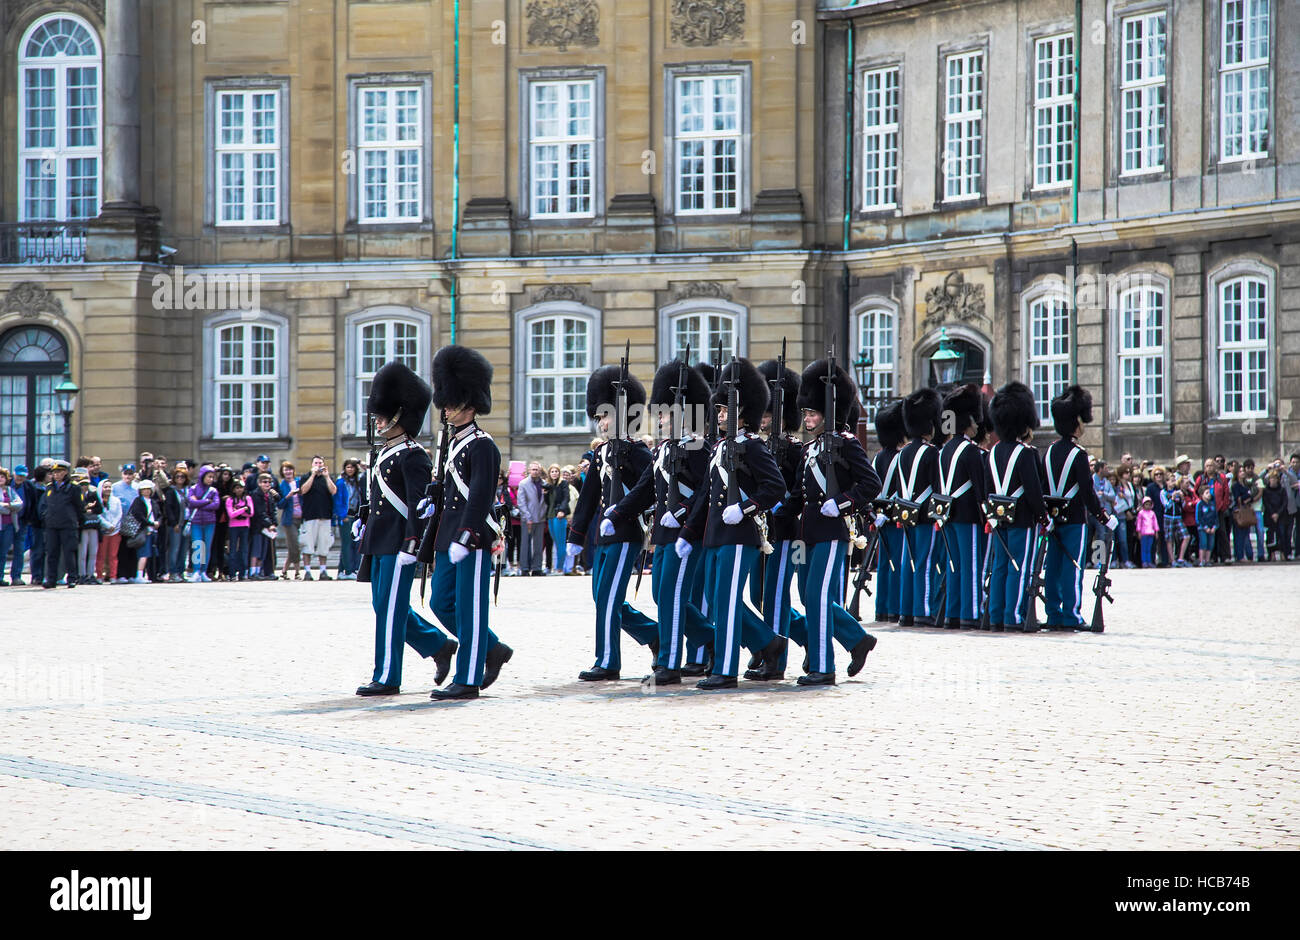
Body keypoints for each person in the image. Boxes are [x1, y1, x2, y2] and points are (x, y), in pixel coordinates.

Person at [353, 361, 461, 696]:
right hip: (379, 539)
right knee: (383, 606)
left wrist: (413, 544)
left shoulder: (413, 455)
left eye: (384, 415)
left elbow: (419, 506)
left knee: (390, 610)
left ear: (400, 415)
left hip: (400, 542)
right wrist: (364, 517)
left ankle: (386, 675)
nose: (379, 420)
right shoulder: (385, 452)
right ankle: (438, 644)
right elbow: (378, 497)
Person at [680, 357, 786, 690]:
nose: (719, 416)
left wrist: (745, 507)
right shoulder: (720, 447)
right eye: (719, 411)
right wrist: (688, 532)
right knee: (716, 596)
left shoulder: (752, 447)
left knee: (725, 600)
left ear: (742, 413)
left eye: (725, 411)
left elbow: (775, 487)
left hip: (740, 534)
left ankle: (725, 670)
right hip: (715, 534)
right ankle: (767, 642)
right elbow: (704, 496)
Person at [608, 357, 713, 687]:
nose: (661, 419)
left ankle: (670, 662)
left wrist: (681, 514)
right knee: (662, 594)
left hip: (686, 532)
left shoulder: (696, 446)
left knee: (674, 593)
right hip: (665, 533)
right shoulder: (665, 449)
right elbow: (645, 489)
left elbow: (703, 492)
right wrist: (619, 512)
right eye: (661, 413)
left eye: (667, 413)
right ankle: (714, 641)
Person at [783, 358, 881, 685]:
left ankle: (823, 667)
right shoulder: (810, 449)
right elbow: (798, 493)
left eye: (812, 414)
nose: (807, 419)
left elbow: (871, 484)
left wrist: (840, 503)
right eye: (806, 414)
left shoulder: (846, 442)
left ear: (827, 412)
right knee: (808, 595)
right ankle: (856, 639)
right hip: (807, 533)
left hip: (830, 532)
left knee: (817, 596)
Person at [568, 363, 659, 681]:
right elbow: (589, 497)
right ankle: (654, 635)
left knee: (608, 597)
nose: (602, 423)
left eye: (605, 416)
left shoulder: (636, 452)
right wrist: (575, 536)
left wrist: (622, 512)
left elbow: (649, 488)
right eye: (599, 418)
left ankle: (607, 660)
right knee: (602, 597)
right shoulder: (602, 453)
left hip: (627, 532)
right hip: (604, 536)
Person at [748, 357, 805, 677]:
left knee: (775, 595)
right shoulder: (757, 446)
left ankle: (776, 662)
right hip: (759, 531)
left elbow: (800, 489)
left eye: (769, 413)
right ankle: (804, 636)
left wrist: (783, 507)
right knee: (758, 594)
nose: (765, 419)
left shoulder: (795, 449)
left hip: (785, 530)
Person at [1042, 386, 1111, 631]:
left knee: (1053, 566)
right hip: (1073, 518)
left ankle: (1053, 613)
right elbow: (1087, 492)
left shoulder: (1048, 451)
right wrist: (1103, 516)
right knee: (1073, 566)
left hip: (1052, 517)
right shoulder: (1079, 454)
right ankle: (1071, 615)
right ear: (1076, 422)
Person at [983, 383, 1045, 631]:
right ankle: (1014, 615)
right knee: (1019, 566)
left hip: (998, 518)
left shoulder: (992, 452)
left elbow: (989, 488)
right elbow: (1033, 490)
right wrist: (1043, 516)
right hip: (1021, 518)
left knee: (1000, 567)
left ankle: (996, 615)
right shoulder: (1026, 453)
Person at [936, 384, 988, 629]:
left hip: (946, 514)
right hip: (967, 515)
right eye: (975, 421)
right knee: (970, 566)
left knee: (953, 564)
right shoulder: (971, 451)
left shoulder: (944, 450)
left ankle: (952, 614)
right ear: (968, 421)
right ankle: (970, 613)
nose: (978, 426)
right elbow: (980, 488)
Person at [895, 387, 943, 626]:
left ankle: (905, 610)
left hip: (906, 514)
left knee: (908, 562)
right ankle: (922, 610)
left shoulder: (902, 454)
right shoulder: (932, 452)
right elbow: (938, 487)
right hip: (924, 516)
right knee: (924, 562)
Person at [870, 402, 905, 624]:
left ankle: (881, 609)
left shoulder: (877, 457)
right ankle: (893, 608)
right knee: (896, 564)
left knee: (884, 563)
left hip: (880, 516)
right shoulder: (900, 458)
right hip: (896, 516)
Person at [186, 465, 221, 582]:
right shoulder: (193, 488)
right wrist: (206, 502)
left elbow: (216, 505)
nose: (211, 479)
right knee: (197, 545)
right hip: (196, 521)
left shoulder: (213, 490)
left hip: (210, 522)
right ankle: (196, 570)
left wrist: (199, 503)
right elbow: (191, 502)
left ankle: (203, 571)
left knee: (207, 547)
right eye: (209, 476)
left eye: (212, 477)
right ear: (203, 476)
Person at [516, 461, 547, 576]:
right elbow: (521, 502)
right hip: (527, 518)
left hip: (540, 518)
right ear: (529, 470)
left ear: (540, 471)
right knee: (525, 543)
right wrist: (527, 517)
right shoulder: (523, 483)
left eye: (537, 469)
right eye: (533, 469)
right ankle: (524, 568)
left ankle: (537, 568)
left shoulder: (544, 483)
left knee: (538, 544)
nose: (535, 471)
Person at [127, 478, 160, 583]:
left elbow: (158, 514)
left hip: (153, 531)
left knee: (150, 554)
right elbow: (138, 515)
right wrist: (151, 524)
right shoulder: (138, 501)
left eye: (148, 489)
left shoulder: (153, 502)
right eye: (144, 489)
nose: (146, 491)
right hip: (142, 531)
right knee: (143, 554)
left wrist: (158, 523)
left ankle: (147, 575)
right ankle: (139, 575)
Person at [73, 468, 102, 584]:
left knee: (93, 551)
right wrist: (85, 509)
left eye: (86, 484)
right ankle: (82, 574)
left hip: (93, 525)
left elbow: (99, 509)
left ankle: (90, 574)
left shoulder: (93, 494)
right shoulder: (76, 494)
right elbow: (75, 509)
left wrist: (91, 509)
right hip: (82, 526)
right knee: (82, 552)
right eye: (82, 484)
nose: (84, 486)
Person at [336, 458, 363, 579]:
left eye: (352, 467)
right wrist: (342, 516)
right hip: (346, 516)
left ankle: (343, 570)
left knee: (355, 543)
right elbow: (338, 500)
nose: (350, 469)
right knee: (346, 544)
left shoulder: (358, 481)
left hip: (355, 515)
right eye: (348, 467)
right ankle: (348, 570)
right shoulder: (341, 482)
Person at [249, 472, 280, 579]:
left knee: (263, 551)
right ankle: (253, 572)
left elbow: (272, 511)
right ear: (259, 483)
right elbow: (260, 512)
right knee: (256, 551)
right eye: (264, 482)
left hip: (267, 528)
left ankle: (259, 571)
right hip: (258, 527)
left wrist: (274, 523)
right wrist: (268, 524)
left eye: (269, 482)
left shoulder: (270, 495)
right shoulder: (255, 495)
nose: (267, 484)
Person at [276, 461, 303, 579]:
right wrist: (288, 496)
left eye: (290, 469)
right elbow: (280, 505)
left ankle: (284, 571)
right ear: (282, 472)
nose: (288, 472)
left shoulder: (299, 481)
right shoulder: (282, 485)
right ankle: (297, 572)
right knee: (295, 547)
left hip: (301, 519)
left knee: (293, 547)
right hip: (289, 520)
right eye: (285, 470)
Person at [163, 467, 190, 582]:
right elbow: (168, 508)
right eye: (177, 476)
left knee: (184, 550)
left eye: (182, 476)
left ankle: (180, 571)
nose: (180, 479)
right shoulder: (171, 491)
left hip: (187, 522)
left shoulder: (188, 490)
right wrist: (174, 523)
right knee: (174, 549)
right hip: (175, 524)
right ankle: (173, 572)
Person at [94, 478, 123, 583]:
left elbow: (119, 514)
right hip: (103, 531)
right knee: (100, 555)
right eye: (106, 487)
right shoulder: (98, 501)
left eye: (110, 487)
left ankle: (113, 576)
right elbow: (98, 515)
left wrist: (113, 526)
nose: (108, 489)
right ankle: (99, 576)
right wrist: (107, 525)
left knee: (113, 555)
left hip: (115, 531)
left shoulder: (116, 500)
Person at [225, 479, 254, 581]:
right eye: (237, 488)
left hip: (245, 526)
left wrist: (238, 510)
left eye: (241, 488)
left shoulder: (248, 498)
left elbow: (251, 513)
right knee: (233, 550)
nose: (239, 490)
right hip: (233, 527)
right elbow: (231, 515)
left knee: (244, 550)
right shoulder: (230, 500)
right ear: (233, 489)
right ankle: (232, 573)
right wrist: (244, 509)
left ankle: (243, 573)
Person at [544, 464, 570, 576]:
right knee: (555, 541)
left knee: (560, 543)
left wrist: (562, 510)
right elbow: (547, 502)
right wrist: (545, 494)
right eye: (552, 471)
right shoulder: (548, 485)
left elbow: (566, 498)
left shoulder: (563, 484)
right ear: (549, 474)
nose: (554, 473)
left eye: (556, 471)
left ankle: (559, 568)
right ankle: (558, 567)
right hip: (550, 515)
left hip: (559, 515)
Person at [1161, 473, 1191, 567]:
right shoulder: (1163, 492)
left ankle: (1181, 558)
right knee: (1169, 539)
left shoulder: (1178, 491)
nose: (1173, 483)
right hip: (1168, 517)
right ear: (1166, 482)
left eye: (1174, 481)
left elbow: (1183, 506)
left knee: (1186, 536)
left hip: (1178, 517)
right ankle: (1172, 560)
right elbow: (1166, 506)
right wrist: (1172, 498)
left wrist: (1182, 499)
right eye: (1171, 481)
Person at [0, 467, 24, 586]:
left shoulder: (9, 490)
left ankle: (1, 577)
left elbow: (19, 503)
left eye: (3, 476)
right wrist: (6, 507)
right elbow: (3, 509)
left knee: (3, 552)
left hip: (8, 525)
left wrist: (9, 505)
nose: (1, 479)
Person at [1262, 469, 1291, 560]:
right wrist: (1272, 513)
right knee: (1270, 535)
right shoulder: (1266, 490)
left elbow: (1284, 502)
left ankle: (1283, 553)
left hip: (1281, 515)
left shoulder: (1282, 490)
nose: (1273, 480)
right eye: (1271, 478)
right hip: (1269, 515)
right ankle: (1271, 554)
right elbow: (1266, 502)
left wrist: (1278, 513)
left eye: (1275, 478)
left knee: (1282, 534)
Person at [1111, 465, 1137, 568]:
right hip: (1119, 513)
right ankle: (1114, 560)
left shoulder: (1130, 485)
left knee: (1124, 539)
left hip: (1129, 513)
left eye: (1129, 472)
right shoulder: (1118, 486)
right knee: (1114, 539)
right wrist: (1126, 511)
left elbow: (1132, 498)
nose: (1128, 474)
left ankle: (1126, 560)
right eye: (1126, 473)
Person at [1195, 486, 1218, 566]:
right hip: (1203, 528)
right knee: (1203, 543)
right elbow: (1199, 518)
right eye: (1206, 493)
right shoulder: (1200, 504)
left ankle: (1207, 560)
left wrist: (1214, 526)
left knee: (1210, 544)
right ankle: (1202, 560)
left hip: (1212, 528)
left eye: (1209, 493)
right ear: (1201, 495)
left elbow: (1215, 516)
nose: (1209, 495)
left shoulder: (1212, 504)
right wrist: (1205, 527)